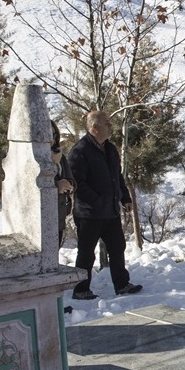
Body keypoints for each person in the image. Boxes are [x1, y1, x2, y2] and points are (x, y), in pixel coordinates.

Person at [66, 110, 141, 300]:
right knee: (86, 253)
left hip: (110, 211)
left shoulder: (110, 148)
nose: (111, 126)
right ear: (95, 127)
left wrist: (125, 198)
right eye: (107, 123)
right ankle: (81, 289)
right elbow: (77, 184)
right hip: (89, 214)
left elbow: (118, 177)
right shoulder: (79, 151)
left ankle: (122, 284)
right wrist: (97, 201)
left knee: (118, 247)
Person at [49, 120, 75, 247]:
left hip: (59, 216)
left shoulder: (60, 156)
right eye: (48, 134)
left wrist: (68, 185)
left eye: (54, 134)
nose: (52, 138)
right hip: (43, 217)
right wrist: (56, 186)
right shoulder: (34, 157)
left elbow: (73, 182)